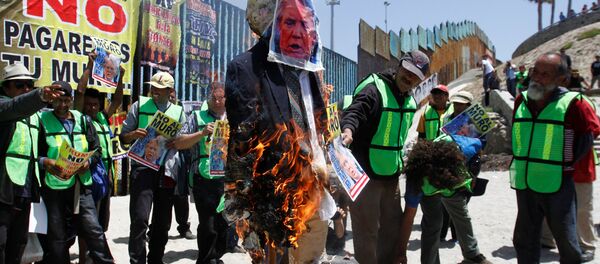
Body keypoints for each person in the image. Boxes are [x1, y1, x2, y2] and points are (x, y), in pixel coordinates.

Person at [224, 0, 331, 262]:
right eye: (289, 20)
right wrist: (244, 215)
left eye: (304, 22)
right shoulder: (247, 67)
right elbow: (242, 144)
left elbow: (317, 125)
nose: (299, 30)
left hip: (314, 194)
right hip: (275, 203)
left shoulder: (308, 67)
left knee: (309, 259)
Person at [339, 50, 428, 263]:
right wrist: (348, 131)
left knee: (391, 229)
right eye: (407, 71)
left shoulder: (409, 99)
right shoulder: (374, 89)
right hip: (364, 177)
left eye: (415, 75)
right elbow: (355, 112)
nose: (409, 78)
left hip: (391, 177)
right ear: (399, 67)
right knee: (367, 232)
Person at [510, 53, 600, 263]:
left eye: (545, 74)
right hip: (525, 183)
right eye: (535, 72)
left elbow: (586, 138)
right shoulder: (521, 100)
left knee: (567, 241)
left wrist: (565, 163)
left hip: (557, 184)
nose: (537, 78)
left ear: (562, 80)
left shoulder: (575, 103)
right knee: (524, 239)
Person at [37, 81, 114, 263]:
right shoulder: (42, 121)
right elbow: (36, 154)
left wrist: (88, 161)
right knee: (57, 236)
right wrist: (46, 162)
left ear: (71, 100)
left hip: (81, 185)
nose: (62, 105)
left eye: (66, 100)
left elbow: (97, 150)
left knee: (94, 230)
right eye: (58, 101)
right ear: (51, 101)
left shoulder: (83, 120)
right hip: (54, 187)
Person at [120, 72, 185, 264]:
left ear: (170, 91)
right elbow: (123, 137)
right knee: (140, 219)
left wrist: (176, 142)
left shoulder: (179, 112)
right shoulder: (139, 107)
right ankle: (137, 261)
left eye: (160, 89)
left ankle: (156, 259)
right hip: (142, 169)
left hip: (166, 171)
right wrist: (133, 135)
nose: (155, 92)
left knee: (162, 223)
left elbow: (182, 140)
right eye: (153, 88)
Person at [0, 63, 62, 264]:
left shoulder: (35, 116)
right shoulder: (3, 106)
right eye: (20, 85)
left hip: (25, 188)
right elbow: (15, 107)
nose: (26, 89)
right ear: (6, 88)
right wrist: (39, 96)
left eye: (30, 85)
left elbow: (38, 151)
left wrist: (47, 163)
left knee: (18, 244)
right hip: (3, 188)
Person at [397, 134, 490, 264]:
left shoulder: (464, 149)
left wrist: (473, 173)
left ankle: (472, 256)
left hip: (453, 177)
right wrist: (401, 252)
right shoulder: (416, 183)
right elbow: (408, 217)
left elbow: (480, 146)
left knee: (461, 213)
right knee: (433, 223)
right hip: (436, 181)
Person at [167, 83, 227, 264]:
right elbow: (178, 142)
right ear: (207, 100)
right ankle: (206, 259)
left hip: (227, 179)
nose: (217, 102)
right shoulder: (196, 117)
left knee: (223, 223)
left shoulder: (233, 118)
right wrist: (201, 133)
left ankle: (217, 256)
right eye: (213, 98)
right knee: (207, 224)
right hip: (203, 178)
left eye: (220, 98)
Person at [74, 52, 124, 264]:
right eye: (89, 104)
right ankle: (87, 259)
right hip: (88, 176)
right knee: (88, 222)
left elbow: (119, 99)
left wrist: (120, 76)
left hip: (105, 175)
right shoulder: (80, 118)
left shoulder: (103, 117)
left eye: (95, 105)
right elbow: (79, 92)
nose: (92, 108)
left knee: (101, 222)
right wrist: (89, 65)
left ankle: (93, 256)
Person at [167, 89, 195, 240]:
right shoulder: (157, 112)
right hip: (163, 159)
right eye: (169, 97)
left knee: (181, 194)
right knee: (162, 197)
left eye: (173, 97)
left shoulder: (182, 115)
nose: (171, 99)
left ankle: (184, 227)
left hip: (180, 158)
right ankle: (156, 229)